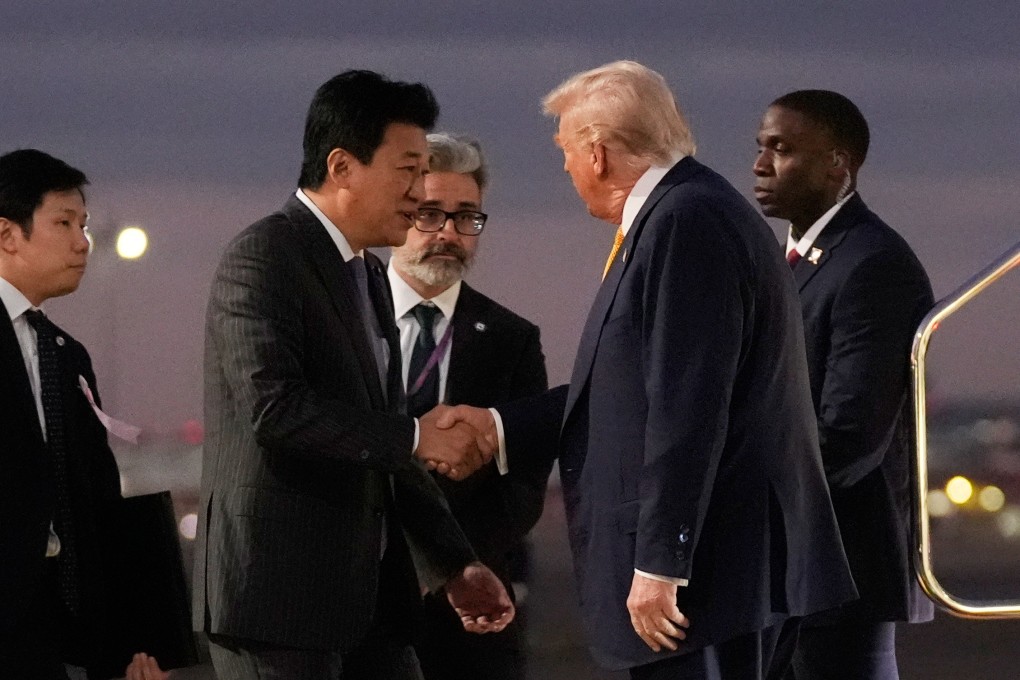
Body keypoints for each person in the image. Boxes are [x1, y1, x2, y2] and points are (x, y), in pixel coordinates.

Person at [428, 61, 857, 680]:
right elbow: (630, 388)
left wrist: (661, 564)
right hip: (724, 570)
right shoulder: (687, 212)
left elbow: (689, 405)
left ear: (598, 153)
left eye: (566, 151)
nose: (566, 168)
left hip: (708, 579)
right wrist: (499, 428)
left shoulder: (686, 222)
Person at [193, 70, 514, 680]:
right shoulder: (264, 256)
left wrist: (455, 563)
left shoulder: (368, 275)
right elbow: (274, 410)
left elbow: (384, 434)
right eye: (407, 171)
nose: (419, 192)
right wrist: (417, 436)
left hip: (369, 608)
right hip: (276, 604)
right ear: (341, 167)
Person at [753, 90, 935, 680]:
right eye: (761, 147)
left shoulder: (873, 263)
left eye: (782, 149)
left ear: (837, 164)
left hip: (843, 574)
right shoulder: (788, 261)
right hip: (791, 572)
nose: (760, 165)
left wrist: (738, 499)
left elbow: (850, 438)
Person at [388, 132, 550, 680]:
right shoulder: (344, 317)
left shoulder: (511, 338)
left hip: (468, 610)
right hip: (353, 601)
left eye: (466, 217)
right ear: (399, 210)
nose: (449, 234)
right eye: (430, 213)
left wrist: (451, 566)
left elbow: (524, 481)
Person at [0, 148, 120, 679]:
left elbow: (96, 496)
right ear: (7, 235)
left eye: (84, 225)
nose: (82, 242)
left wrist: (131, 635)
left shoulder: (66, 355)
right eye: (64, 223)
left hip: (53, 620)